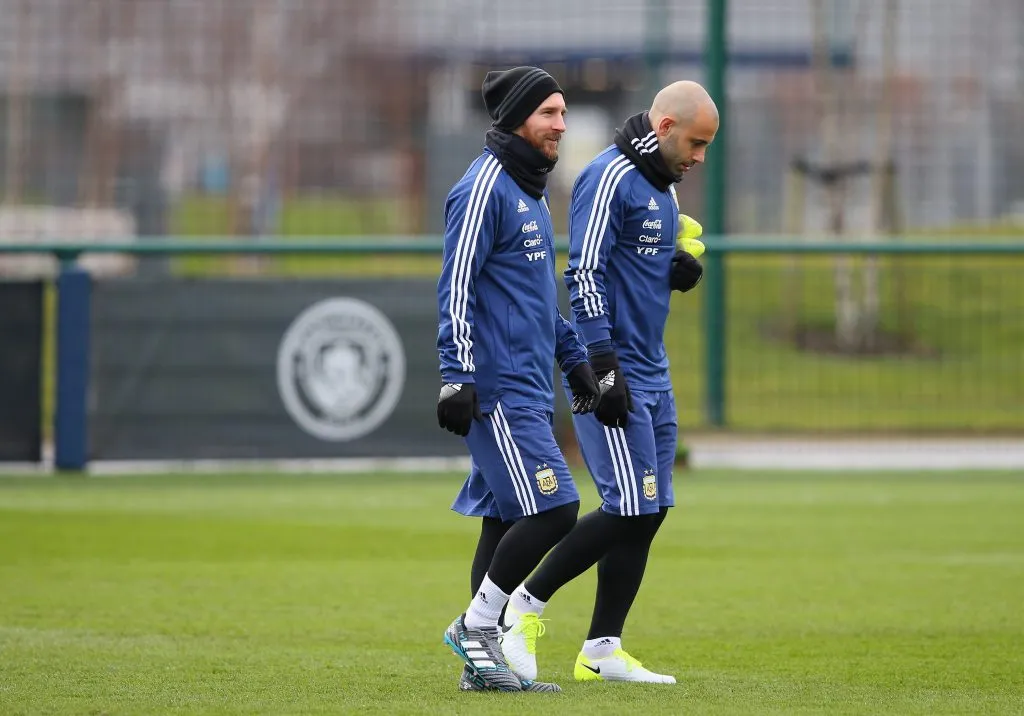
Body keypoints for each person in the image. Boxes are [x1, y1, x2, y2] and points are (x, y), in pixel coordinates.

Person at [497, 80, 720, 684]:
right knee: (627, 507)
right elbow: (585, 271)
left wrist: (669, 271)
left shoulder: (662, 186)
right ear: (667, 128)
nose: (700, 157)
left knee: (651, 511)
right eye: (697, 143)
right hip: (615, 371)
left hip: (654, 370)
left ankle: (601, 650)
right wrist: (603, 365)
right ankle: (521, 609)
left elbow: (628, 264)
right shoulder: (610, 175)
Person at [435, 66, 601, 693]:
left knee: (505, 521)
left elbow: (535, 298)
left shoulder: (528, 189)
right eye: (550, 113)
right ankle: (475, 628)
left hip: (532, 386)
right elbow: (456, 284)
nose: (561, 123)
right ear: (516, 118)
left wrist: (574, 357)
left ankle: (483, 668)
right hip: (497, 389)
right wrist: (457, 375)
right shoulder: (482, 188)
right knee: (557, 506)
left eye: (563, 112)